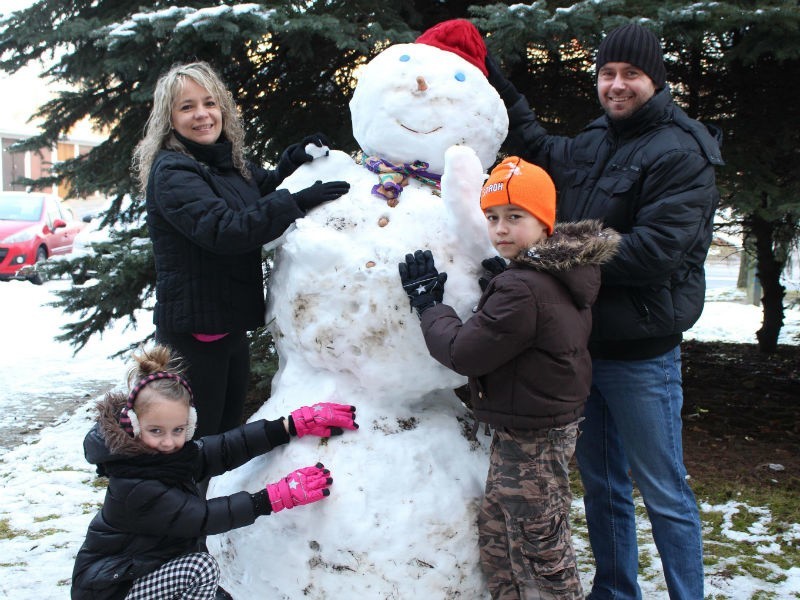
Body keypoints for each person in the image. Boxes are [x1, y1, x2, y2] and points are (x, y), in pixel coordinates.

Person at [484, 22, 724, 599]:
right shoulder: (597, 139)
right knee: (603, 486)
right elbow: (539, 151)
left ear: (655, 80)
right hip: (584, 350)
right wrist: (493, 78)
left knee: (663, 490)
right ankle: (616, 592)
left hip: (642, 353)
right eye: (608, 74)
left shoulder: (682, 151)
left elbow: (654, 252)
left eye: (631, 75)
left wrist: (546, 256)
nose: (617, 86)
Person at [398, 156, 619, 599]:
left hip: (532, 436)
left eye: (515, 217)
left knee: (540, 543)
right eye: (493, 217)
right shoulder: (548, 274)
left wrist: (428, 306)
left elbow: (464, 352)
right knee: (500, 535)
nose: (500, 229)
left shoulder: (524, 287)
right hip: (537, 423)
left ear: (544, 223)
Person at [131, 61, 350, 440]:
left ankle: (213, 497)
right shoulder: (174, 172)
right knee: (196, 443)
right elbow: (226, 229)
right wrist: (295, 201)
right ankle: (188, 500)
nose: (202, 115)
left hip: (225, 326)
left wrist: (291, 161)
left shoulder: (220, 160)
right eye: (187, 107)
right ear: (169, 119)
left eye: (209, 103)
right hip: (196, 335)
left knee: (225, 435)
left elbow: (256, 190)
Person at [70, 344, 358, 600]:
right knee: (201, 568)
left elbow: (219, 450)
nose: (169, 441)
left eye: (178, 430)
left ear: (190, 424)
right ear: (133, 424)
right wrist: (272, 498)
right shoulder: (134, 485)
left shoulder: (158, 455)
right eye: (156, 431)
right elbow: (201, 517)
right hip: (110, 588)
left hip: (137, 571)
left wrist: (289, 426)